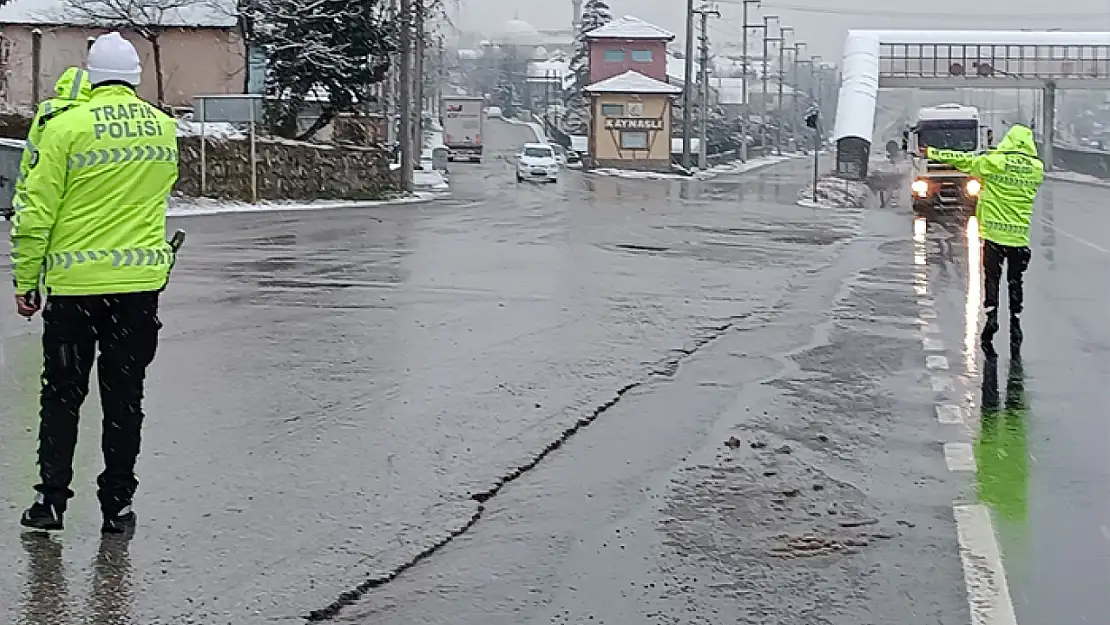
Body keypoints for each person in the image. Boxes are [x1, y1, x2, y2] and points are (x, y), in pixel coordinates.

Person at [10, 32, 179, 533]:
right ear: (134, 78)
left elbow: (35, 212)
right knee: (125, 398)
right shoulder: (163, 129)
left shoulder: (65, 127)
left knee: (62, 395)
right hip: (137, 289)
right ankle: (117, 507)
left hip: (75, 290)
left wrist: (26, 279)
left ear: (89, 73)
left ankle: (52, 502)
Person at [927, 124, 1044, 355]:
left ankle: (991, 318)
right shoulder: (1036, 168)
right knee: (1015, 281)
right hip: (1019, 239)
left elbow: (963, 160)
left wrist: (932, 152)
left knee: (992, 279)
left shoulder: (994, 162)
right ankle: (1016, 321)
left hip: (994, 237)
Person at [2, 67, 91, 221]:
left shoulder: (48, 109)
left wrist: (22, 195)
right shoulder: (91, 112)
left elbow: (31, 152)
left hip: (46, 175)